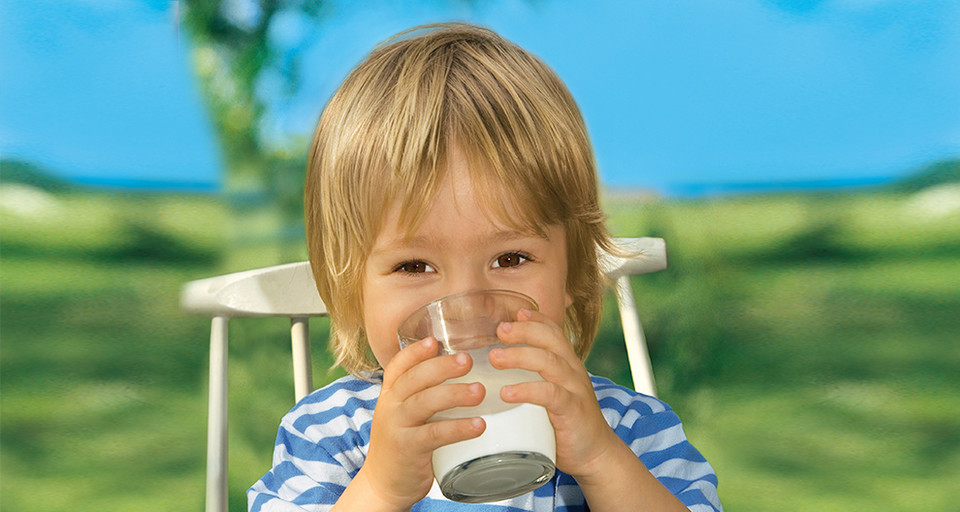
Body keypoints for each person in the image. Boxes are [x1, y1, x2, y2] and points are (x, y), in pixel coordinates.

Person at [248, 23, 721, 512]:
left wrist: (602, 460)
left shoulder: (630, 429)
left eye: (510, 259)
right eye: (414, 265)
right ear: (351, 290)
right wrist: (380, 489)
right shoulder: (330, 435)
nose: (468, 312)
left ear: (573, 275)